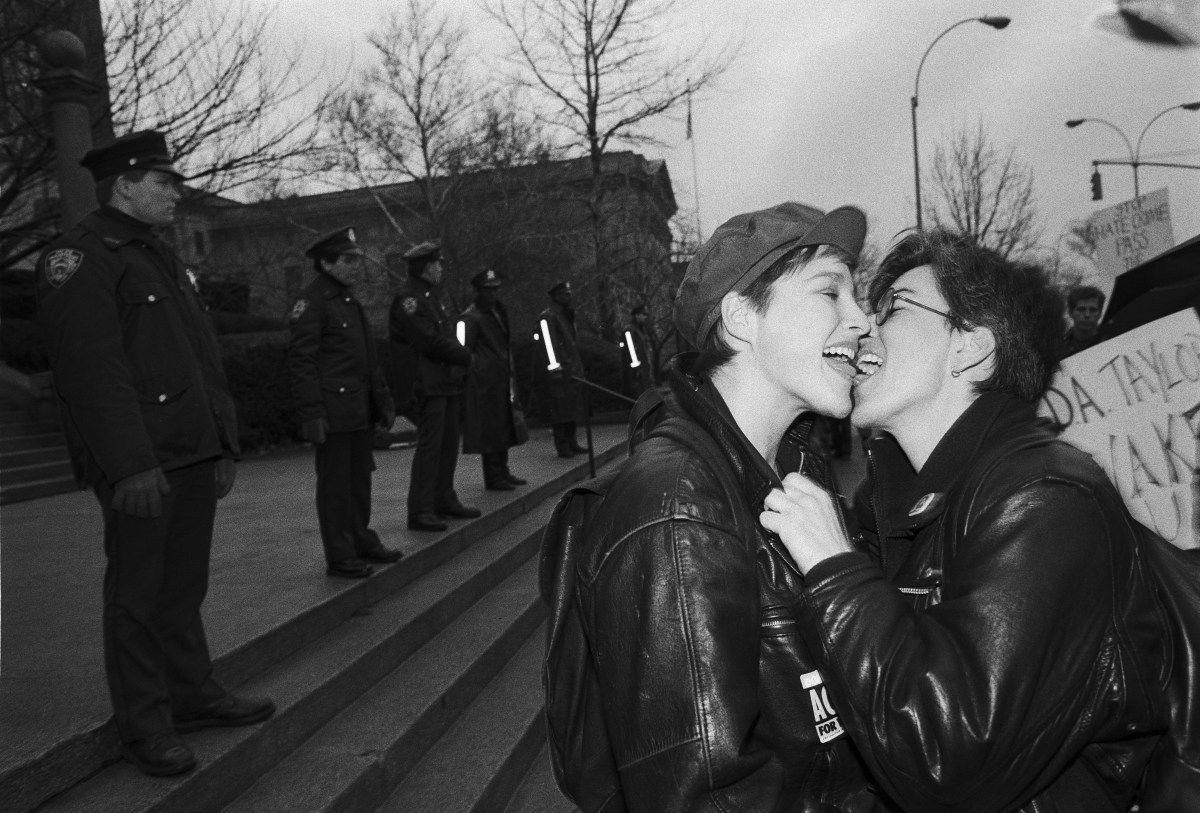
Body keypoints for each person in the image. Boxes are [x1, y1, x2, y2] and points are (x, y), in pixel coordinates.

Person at [761, 230, 1170, 812]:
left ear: (970, 348)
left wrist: (836, 570)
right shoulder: (894, 503)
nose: (862, 329)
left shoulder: (1046, 500)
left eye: (895, 308)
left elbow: (947, 761)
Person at [557, 203, 892, 811]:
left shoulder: (791, 471)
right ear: (741, 318)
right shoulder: (678, 506)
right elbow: (705, 795)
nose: (863, 319)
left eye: (858, 295)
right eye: (830, 292)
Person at [36, 130, 275, 778]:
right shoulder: (81, 258)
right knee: (137, 595)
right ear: (126, 185)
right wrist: (129, 463)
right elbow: (91, 373)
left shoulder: (158, 256)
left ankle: (193, 693)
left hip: (189, 452)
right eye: (164, 181)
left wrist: (220, 441)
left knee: (182, 587)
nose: (177, 191)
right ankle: (145, 726)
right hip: (143, 462)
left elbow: (200, 359)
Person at [287, 226, 401, 579]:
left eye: (356, 259)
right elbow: (302, 361)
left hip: (357, 409)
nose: (356, 266)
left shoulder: (348, 301)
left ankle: (362, 540)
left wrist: (381, 401)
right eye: (348, 260)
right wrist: (311, 413)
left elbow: (366, 359)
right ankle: (340, 553)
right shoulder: (313, 302)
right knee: (336, 485)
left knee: (359, 480)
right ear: (326, 263)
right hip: (333, 412)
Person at [389, 240, 480, 532]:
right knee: (431, 446)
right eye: (437, 264)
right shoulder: (409, 300)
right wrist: (465, 356)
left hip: (443, 382)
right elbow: (427, 340)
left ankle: (444, 498)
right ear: (426, 267)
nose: (441, 268)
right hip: (426, 384)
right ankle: (421, 508)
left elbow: (444, 336)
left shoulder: (429, 297)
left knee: (448, 443)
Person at [459, 268, 527, 491]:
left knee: (503, 425)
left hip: (500, 378)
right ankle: (493, 475)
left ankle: (503, 470)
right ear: (478, 292)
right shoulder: (471, 317)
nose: (492, 295)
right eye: (488, 291)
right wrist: (479, 369)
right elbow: (462, 350)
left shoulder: (497, 312)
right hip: (484, 382)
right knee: (491, 430)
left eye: (495, 290)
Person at [533, 281, 587, 458]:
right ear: (556, 297)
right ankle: (562, 445)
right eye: (565, 294)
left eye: (569, 293)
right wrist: (554, 367)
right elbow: (549, 344)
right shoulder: (548, 317)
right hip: (559, 372)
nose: (569, 297)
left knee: (569, 408)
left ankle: (572, 442)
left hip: (570, 371)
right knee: (559, 410)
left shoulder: (565, 316)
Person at [618, 303, 656, 398]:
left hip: (643, 369)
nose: (645, 317)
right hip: (637, 373)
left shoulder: (639, 330)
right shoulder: (629, 330)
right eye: (643, 315)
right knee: (640, 395)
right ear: (637, 316)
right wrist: (637, 369)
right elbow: (631, 351)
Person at [1060, 283, 1105, 358]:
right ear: (1070, 313)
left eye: (1093, 310)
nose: (1087, 315)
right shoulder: (1058, 348)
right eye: (1081, 309)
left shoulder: (1111, 340)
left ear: (1100, 313)